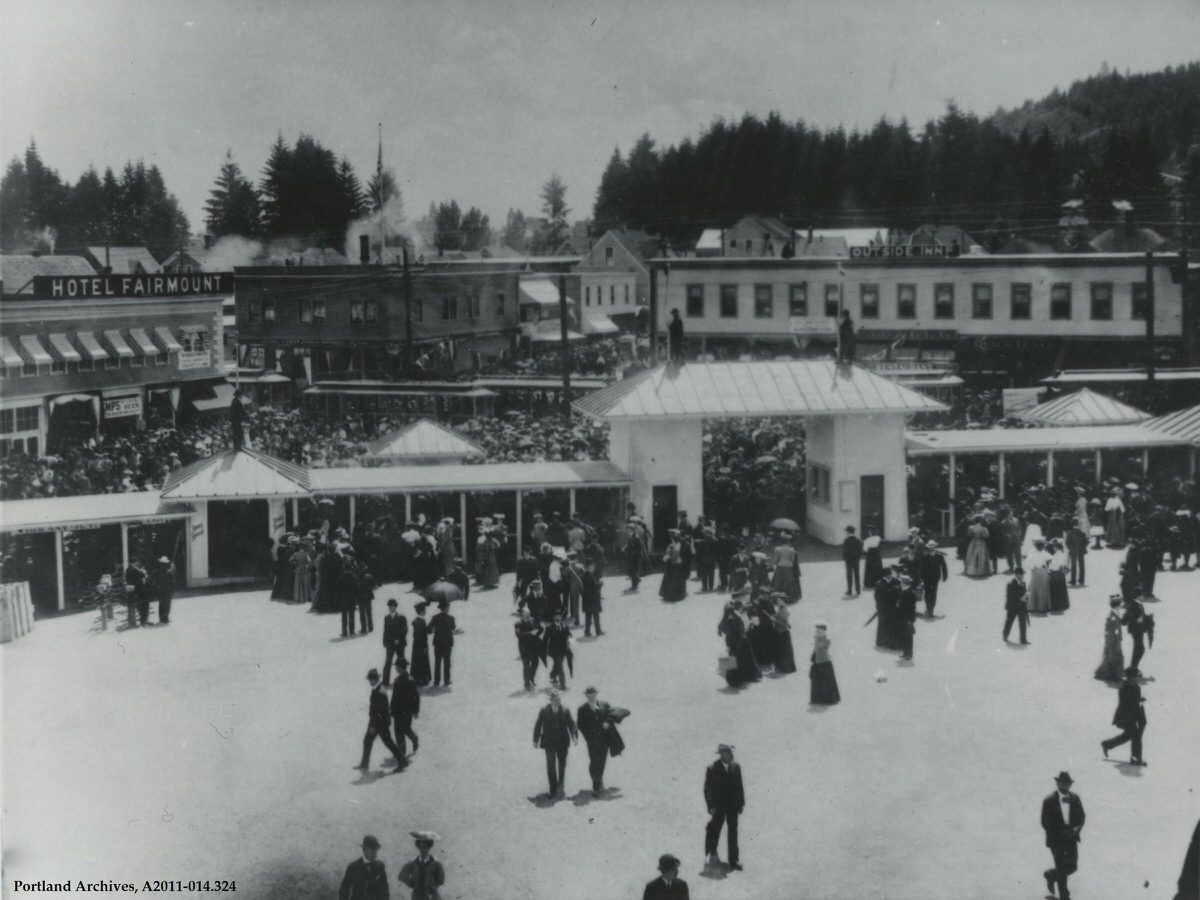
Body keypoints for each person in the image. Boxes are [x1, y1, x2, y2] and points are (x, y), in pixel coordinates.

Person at [1040, 772, 1085, 900]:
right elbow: (1045, 821)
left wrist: (1075, 830)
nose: (1065, 785)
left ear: (1070, 784)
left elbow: (1082, 817)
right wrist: (1059, 833)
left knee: (1072, 866)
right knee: (1061, 866)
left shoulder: (1075, 798)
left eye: (1067, 783)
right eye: (1062, 783)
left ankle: (1051, 875)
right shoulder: (1049, 800)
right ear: (1057, 783)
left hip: (1071, 837)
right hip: (1056, 839)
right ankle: (1064, 896)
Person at [703, 744, 745, 870]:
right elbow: (707, 789)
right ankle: (713, 856)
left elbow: (739, 787)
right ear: (720, 754)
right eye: (723, 753)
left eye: (727, 752)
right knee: (715, 830)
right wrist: (711, 806)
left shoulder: (736, 767)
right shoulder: (712, 768)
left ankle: (733, 861)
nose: (726, 755)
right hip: (718, 807)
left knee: (733, 832)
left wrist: (741, 803)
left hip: (732, 806)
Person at [533, 689, 578, 799]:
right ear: (551, 700)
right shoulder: (544, 710)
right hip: (549, 743)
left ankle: (560, 783)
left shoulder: (565, 710)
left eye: (558, 699)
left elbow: (571, 724)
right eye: (554, 700)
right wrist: (535, 739)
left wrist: (574, 737)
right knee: (551, 766)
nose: (557, 701)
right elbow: (538, 725)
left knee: (562, 764)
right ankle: (552, 790)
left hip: (563, 743)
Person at [357, 669, 404, 771]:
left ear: (376, 679)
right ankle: (364, 763)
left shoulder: (379, 692)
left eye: (371, 679)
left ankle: (402, 761)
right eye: (369, 679)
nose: (369, 681)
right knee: (368, 741)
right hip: (378, 722)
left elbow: (380, 712)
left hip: (379, 723)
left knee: (388, 742)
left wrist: (373, 726)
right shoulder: (378, 688)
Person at [576, 686, 616, 797]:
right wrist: (588, 736)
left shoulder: (604, 705)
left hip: (604, 740)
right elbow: (580, 725)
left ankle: (599, 781)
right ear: (586, 696)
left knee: (602, 761)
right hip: (592, 741)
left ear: (596, 695)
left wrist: (608, 723)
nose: (591, 698)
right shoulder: (582, 709)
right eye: (589, 696)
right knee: (594, 762)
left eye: (593, 696)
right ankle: (596, 784)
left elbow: (612, 715)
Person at [1101, 673, 1148, 766]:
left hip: (1136, 714)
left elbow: (1135, 701)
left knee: (1129, 735)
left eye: (1138, 677)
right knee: (1135, 736)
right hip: (1126, 716)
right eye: (1136, 677)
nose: (1138, 679)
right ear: (1130, 678)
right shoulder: (1124, 688)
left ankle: (1107, 744)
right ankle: (1136, 759)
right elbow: (1126, 704)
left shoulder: (1137, 688)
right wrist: (1138, 702)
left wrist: (1140, 700)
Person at [339, 835, 389, 900]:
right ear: (364, 849)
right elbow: (344, 890)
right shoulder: (353, 867)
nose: (375, 853)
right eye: (372, 849)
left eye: (376, 849)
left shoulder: (380, 866)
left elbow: (385, 890)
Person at [397, 831, 445, 900]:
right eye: (421, 847)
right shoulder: (412, 863)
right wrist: (411, 884)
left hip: (431, 895)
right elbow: (401, 876)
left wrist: (434, 888)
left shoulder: (436, 863)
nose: (423, 850)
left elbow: (441, 879)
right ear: (418, 847)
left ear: (429, 847)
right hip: (417, 895)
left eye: (425, 847)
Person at [389, 662, 420, 759]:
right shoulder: (397, 680)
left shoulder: (410, 680)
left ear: (401, 668)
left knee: (405, 729)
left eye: (397, 666)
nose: (396, 668)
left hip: (407, 711)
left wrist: (416, 711)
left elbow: (416, 697)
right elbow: (394, 697)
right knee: (398, 731)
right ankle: (402, 752)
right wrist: (391, 709)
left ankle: (414, 738)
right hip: (398, 710)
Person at [1094, 596, 1125, 682]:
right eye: (1119, 604)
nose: (1120, 606)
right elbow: (1114, 630)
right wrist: (1116, 639)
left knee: (1110, 657)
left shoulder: (1115, 613)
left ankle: (1103, 673)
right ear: (1117, 605)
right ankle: (1114, 675)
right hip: (1114, 640)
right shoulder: (1113, 616)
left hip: (1113, 640)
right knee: (1115, 657)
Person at [809, 623, 840, 705]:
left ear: (823, 631)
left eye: (819, 630)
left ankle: (829, 700)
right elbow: (815, 649)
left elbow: (817, 647)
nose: (816, 631)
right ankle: (817, 699)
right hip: (817, 662)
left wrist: (817, 639)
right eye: (817, 630)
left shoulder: (826, 640)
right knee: (817, 681)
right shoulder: (818, 638)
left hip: (825, 662)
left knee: (826, 682)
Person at [515, 608, 544, 690]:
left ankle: (531, 678)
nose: (527, 616)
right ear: (522, 615)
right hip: (524, 648)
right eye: (526, 614)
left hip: (533, 646)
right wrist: (529, 634)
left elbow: (540, 629)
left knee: (535, 662)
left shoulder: (533, 620)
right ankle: (526, 683)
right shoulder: (518, 624)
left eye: (528, 614)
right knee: (526, 665)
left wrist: (538, 630)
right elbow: (518, 635)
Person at [382, 599, 408, 687]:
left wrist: (399, 639)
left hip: (399, 643)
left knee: (401, 661)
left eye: (392, 606)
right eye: (389, 606)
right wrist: (384, 641)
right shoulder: (386, 618)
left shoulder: (401, 617)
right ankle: (385, 681)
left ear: (395, 606)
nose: (390, 608)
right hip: (390, 644)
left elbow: (405, 629)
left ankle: (404, 679)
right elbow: (385, 631)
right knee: (388, 661)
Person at [919, 540, 948, 618]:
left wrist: (944, 576)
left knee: (933, 593)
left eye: (933, 547)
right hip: (926, 578)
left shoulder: (939, 556)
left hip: (935, 578)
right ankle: (928, 607)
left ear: (935, 547)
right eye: (930, 548)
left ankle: (931, 609)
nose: (931, 549)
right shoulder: (924, 556)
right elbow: (921, 567)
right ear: (928, 548)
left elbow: (944, 566)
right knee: (927, 593)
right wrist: (921, 578)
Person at [430, 600, 455, 687]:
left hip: (437, 643)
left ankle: (436, 681)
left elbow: (429, 629)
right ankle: (446, 681)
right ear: (447, 608)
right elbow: (453, 627)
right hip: (447, 644)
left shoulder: (435, 618)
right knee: (447, 663)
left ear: (440, 608)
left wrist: (433, 630)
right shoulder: (451, 618)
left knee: (437, 662)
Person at [543, 612, 572, 690]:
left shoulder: (565, 627)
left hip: (563, 650)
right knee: (560, 666)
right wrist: (544, 650)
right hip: (554, 651)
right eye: (556, 617)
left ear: (561, 618)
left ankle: (552, 675)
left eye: (559, 616)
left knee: (557, 665)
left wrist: (569, 637)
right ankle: (563, 685)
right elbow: (545, 640)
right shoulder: (549, 628)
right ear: (553, 618)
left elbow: (569, 635)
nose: (557, 618)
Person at [770, 533, 801, 603]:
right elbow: (792, 560)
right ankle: (790, 598)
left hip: (780, 566)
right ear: (788, 541)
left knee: (778, 582)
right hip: (788, 567)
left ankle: (776, 598)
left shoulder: (777, 549)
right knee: (789, 582)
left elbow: (775, 559)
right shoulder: (791, 550)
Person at [1122, 594, 1148, 676]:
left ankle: (1134, 667)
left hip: (1139, 630)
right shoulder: (1133, 604)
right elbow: (1129, 616)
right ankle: (1133, 668)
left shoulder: (1140, 604)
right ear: (1138, 596)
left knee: (1139, 648)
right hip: (1135, 630)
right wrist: (1137, 620)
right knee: (1140, 648)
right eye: (1142, 595)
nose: (1143, 597)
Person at [1002, 568, 1030, 645]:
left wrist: (1026, 596)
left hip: (1021, 606)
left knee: (1023, 623)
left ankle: (1023, 640)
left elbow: (1024, 592)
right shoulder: (1011, 583)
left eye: (1023, 574)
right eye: (1021, 574)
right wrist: (1021, 598)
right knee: (1009, 622)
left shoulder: (1023, 583)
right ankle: (1005, 635)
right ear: (1017, 575)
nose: (1022, 576)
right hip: (1012, 606)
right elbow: (1010, 596)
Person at [659, 530, 688, 602]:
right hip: (679, 565)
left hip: (672, 565)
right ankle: (680, 595)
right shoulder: (681, 545)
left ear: (672, 538)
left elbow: (667, 556)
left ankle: (671, 596)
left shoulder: (671, 546)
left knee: (671, 580)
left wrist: (665, 558)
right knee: (679, 580)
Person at [771, 596, 796, 674]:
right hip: (781, 632)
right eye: (778, 601)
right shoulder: (781, 608)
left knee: (784, 652)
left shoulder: (784, 610)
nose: (778, 602)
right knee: (782, 651)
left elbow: (784, 624)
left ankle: (785, 668)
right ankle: (782, 667)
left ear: (783, 601)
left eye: (780, 600)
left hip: (783, 632)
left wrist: (774, 620)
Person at [1025, 540, 1051, 614]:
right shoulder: (1045, 553)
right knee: (1043, 588)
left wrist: (1032, 567)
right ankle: (1043, 606)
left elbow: (1026, 563)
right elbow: (1050, 559)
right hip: (1043, 572)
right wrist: (1046, 566)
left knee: (1035, 588)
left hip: (1035, 572)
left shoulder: (1032, 554)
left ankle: (1034, 606)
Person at [896, 574, 918, 661]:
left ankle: (909, 654)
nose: (900, 584)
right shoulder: (905, 591)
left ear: (904, 583)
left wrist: (910, 620)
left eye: (901, 582)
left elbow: (912, 609)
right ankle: (905, 653)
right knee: (904, 636)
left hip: (908, 618)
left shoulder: (910, 593)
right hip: (903, 617)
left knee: (908, 637)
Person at [625, 517, 650, 591]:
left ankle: (634, 585)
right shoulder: (631, 535)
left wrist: (634, 554)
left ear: (632, 529)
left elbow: (639, 546)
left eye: (629, 528)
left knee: (634, 570)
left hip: (635, 556)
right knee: (633, 570)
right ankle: (636, 581)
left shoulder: (636, 536)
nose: (628, 530)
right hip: (632, 556)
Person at [410, 602, 432, 687]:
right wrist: (423, 647)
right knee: (421, 662)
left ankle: (419, 679)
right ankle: (421, 680)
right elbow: (420, 635)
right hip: (420, 645)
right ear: (422, 611)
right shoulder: (420, 621)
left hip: (417, 645)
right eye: (424, 610)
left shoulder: (419, 620)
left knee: (418, 662)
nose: (425, 611)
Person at [125, 557, 150, 627]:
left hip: (134, 590)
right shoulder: (132, 569)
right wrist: (143, 571)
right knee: (143, 605)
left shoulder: (130, 569)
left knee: (136, 606)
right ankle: (143, 621)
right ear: (135, 562)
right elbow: (143, 575)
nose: (139, 563)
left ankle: (140, 621)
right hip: (138, 590)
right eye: (138, 562)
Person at [150, 555, 175, 625]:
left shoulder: (157, 571)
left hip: (160, 590)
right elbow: (172, 582)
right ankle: (165, 619)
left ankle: (161, 619)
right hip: (167, 590)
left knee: (161, 604)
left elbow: (154, 579)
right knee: (167, 605)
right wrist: (173, 590)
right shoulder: (169, 572)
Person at [582, 562, 603, 636]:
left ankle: (587, 632)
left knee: (588, 617)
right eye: (593, 566)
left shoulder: (585, 574)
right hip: (593, 599)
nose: (594, 567)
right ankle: (598, 631)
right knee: (596, 616)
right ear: (589, 566)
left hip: (587, 600)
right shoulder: (589, 575)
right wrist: (600, 584)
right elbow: (594, 585)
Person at [842, 526, 862, 597]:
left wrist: (844, 558)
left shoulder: (846, 540)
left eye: (847, 531)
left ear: (848, 532)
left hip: (849, 560)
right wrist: (858, 558)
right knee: (857, 575)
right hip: (856, 560)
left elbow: (845, 551)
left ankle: (849, 590)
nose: (846, 533)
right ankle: (858, 590)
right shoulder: (858, 540)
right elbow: (860, 551)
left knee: (849, 575)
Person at [1066, 522, 1088, 586]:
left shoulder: (1070, 533)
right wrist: (1083, 547)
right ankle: (1081, 580)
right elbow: (1086, 542)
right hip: (1081, 551)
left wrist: (1070, 548)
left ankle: (1073, 580)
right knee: (1081, 565)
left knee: (1073, 566)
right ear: (1078, 525)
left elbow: (1067, 543)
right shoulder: (1082, 533)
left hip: (1073, 551)